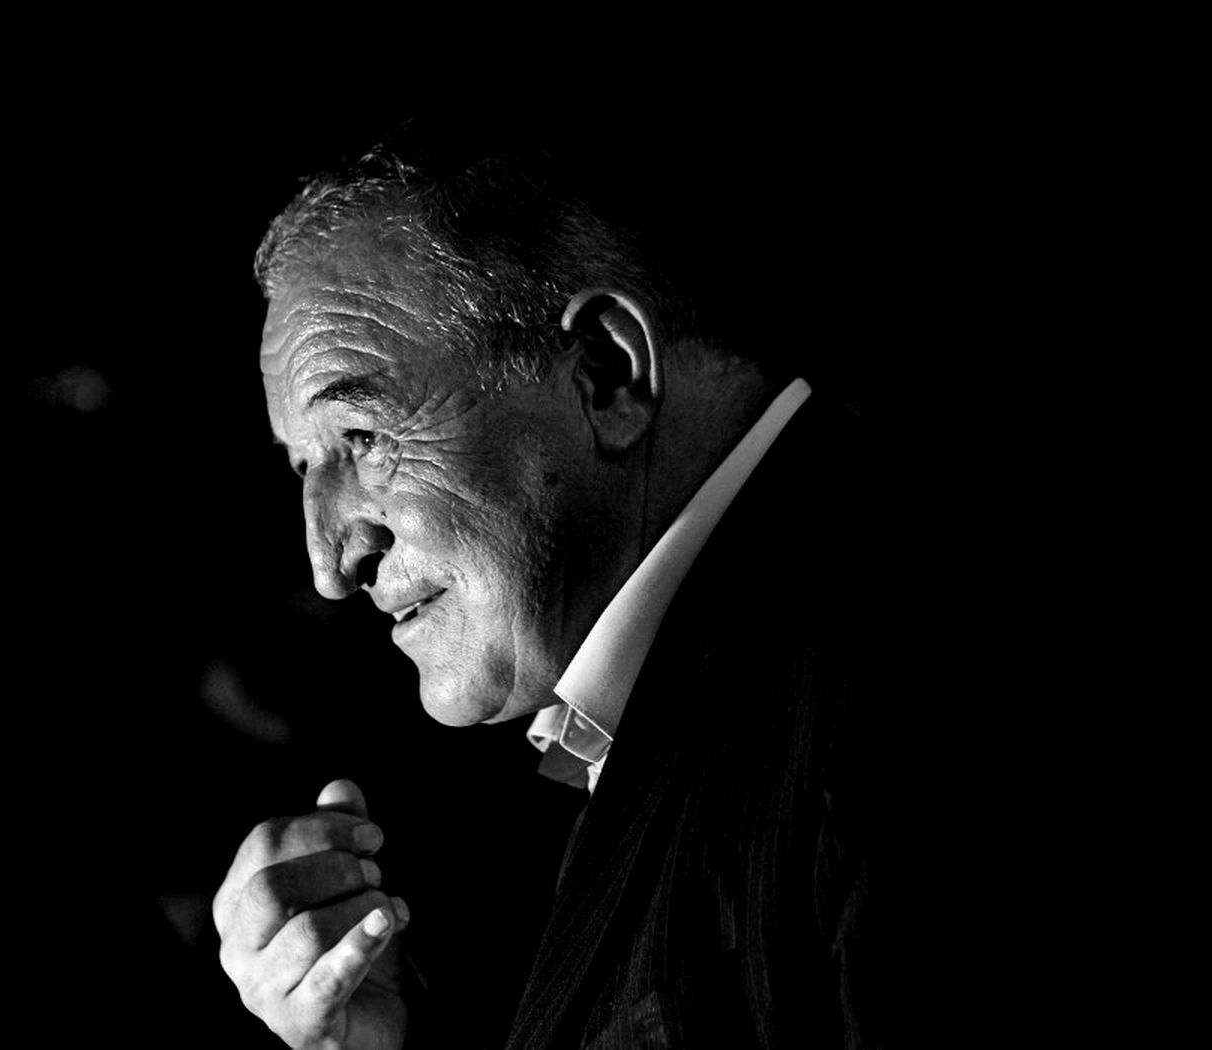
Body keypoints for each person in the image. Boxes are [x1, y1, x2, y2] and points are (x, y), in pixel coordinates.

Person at [214, 115, 928, 1048]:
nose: (330, 565)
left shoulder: (887, 692)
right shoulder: (666, 710)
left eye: (364, 437)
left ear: (604, 374)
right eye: (304, 466)